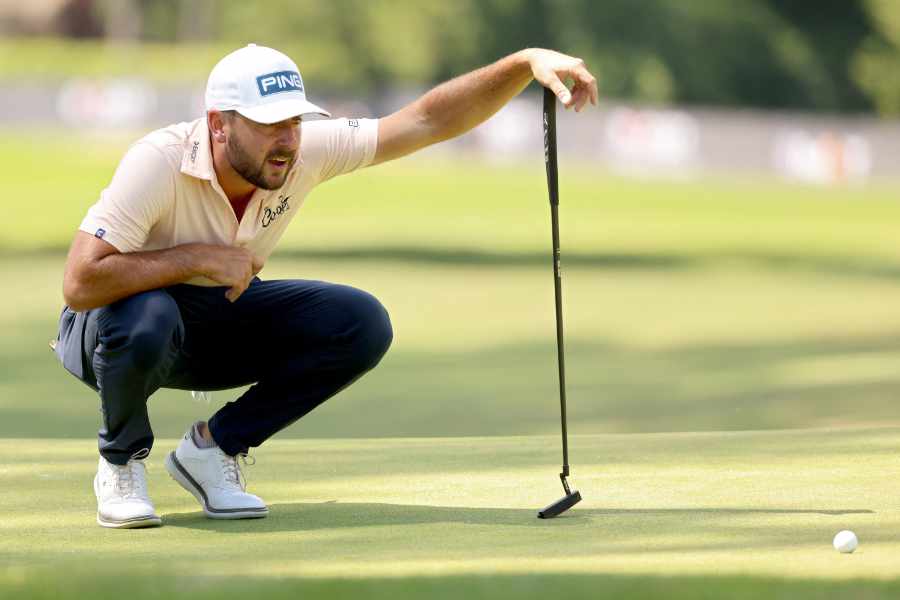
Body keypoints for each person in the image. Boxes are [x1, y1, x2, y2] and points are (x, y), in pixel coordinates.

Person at [54, 43, 598, 529]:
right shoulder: (159, 160)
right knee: (150, 316)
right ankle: (120, 463)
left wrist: (523, 63)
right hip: (113, 330)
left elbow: (426, 122)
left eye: (293, 121)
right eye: (269, 125)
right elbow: (80, 282)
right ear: (219, 124)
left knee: (359, 322)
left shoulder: (305, 150)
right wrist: (194, 258)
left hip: (212, 319)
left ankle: (213, 449)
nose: (287, 140)